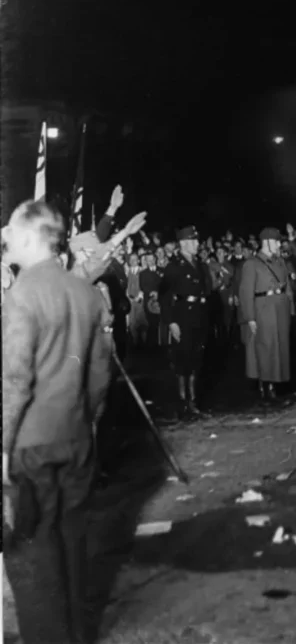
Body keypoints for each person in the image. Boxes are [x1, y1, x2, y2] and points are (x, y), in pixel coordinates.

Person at [2, 200, 112, 644]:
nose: (5, 238)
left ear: (30, 237)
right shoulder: (85, 292)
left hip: (30, 449)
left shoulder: (22, 294)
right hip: (77, 441)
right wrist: (86, 426)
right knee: (72, 551)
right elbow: (100, 377)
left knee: (33, 562)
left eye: (9, 231)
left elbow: (14, 381)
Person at [160, 225, 212, 417]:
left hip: (199, 314)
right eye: (194, 240)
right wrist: (171, 322)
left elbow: (205, 289)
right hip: (182, 316)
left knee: (197, 359)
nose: (197, 244)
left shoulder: (200, 265)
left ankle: (193, 400)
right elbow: (164, 297)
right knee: (183, 359)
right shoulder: (174, 267)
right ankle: (183, 402)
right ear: (184, 243)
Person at [238, 227, 293, 399]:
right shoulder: (252, 264)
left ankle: (276, 382)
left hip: (280, 308)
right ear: (267, 242)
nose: (279, 245)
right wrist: (250, 318)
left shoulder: (280, 262)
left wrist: (290, 306)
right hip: (263, 308)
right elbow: (245, 293)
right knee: (265, 347)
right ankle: (266, 386)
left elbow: (287, 286)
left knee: (279, 346)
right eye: (276, 241)